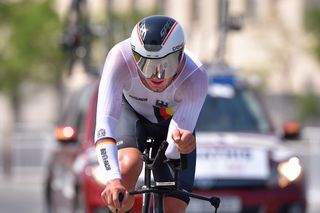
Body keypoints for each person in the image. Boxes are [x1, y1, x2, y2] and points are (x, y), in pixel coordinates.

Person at [95, 15, 208, 213]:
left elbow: (174, 148)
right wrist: (113, 180)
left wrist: (181, 144)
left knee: (173, 207)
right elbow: (104, 127)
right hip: (132, 116)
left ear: (181, 55)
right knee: (127, 167)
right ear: (134, 55)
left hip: (170, 126)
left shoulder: (195, 75)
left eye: (167, 64)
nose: (157, 75)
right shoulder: (119, 58)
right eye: (146, 64)